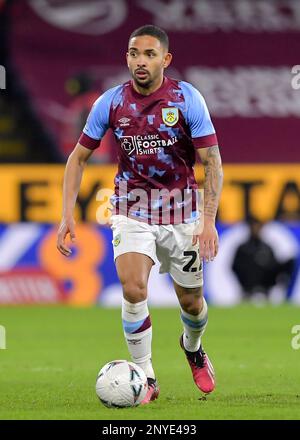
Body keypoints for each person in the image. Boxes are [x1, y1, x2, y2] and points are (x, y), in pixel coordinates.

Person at [57, 25, 223, 404]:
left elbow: (212, 162)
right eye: (134, 53)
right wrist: (67, 214)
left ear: (166, 59)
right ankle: (146, 376)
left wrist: (208, 221)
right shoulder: (111, 103)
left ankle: (193, 347)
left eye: (149, 54)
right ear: (127, 58)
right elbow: (77, 158)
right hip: (131, 211)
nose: (140, 61)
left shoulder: (186, 99)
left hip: (182, 215)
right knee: (133, 289)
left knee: (192, 305)